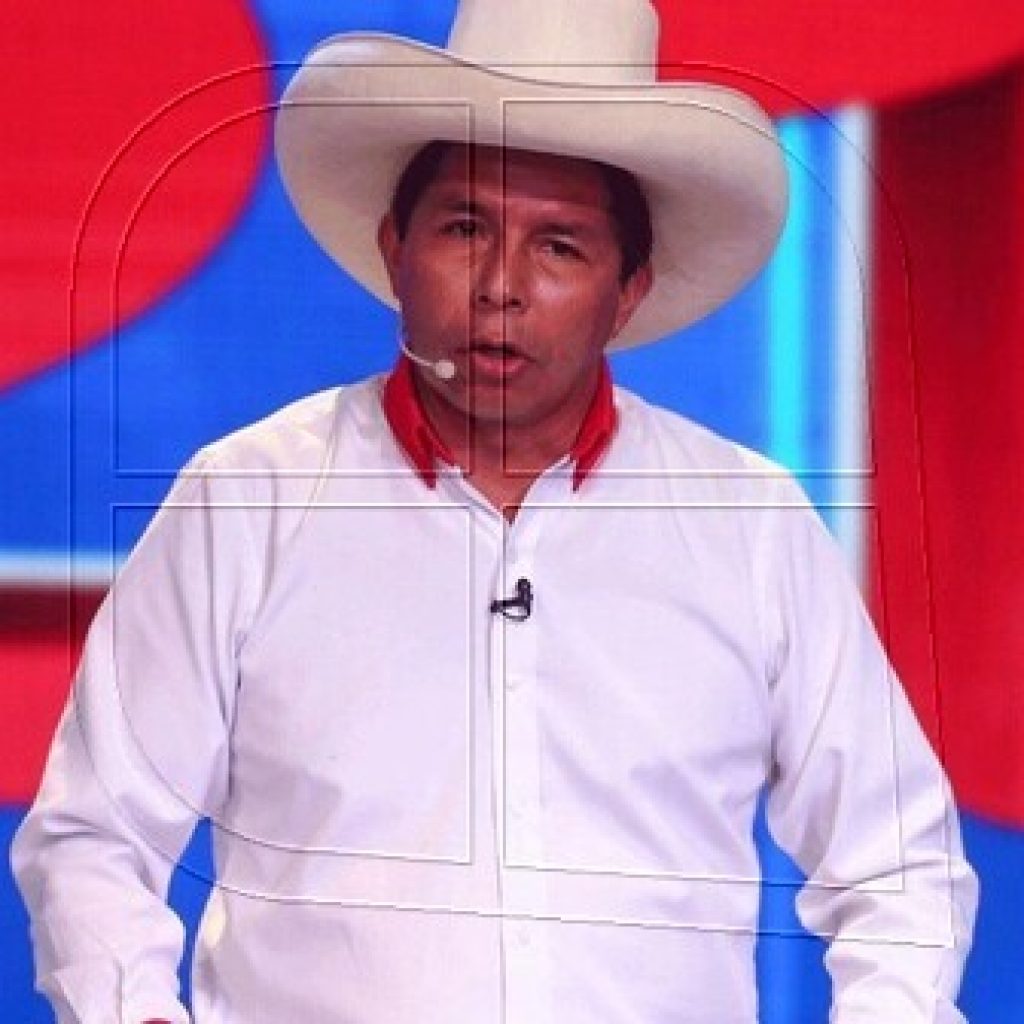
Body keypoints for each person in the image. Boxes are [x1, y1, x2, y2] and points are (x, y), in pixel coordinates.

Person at [12, 1, 977, 1022]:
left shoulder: (748, 523)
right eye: (465, 229)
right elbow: (94, 836)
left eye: (559, 248)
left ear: (628, 291)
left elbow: (898, 862)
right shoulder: (247, 500)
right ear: (394, 247)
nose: (501, 289)